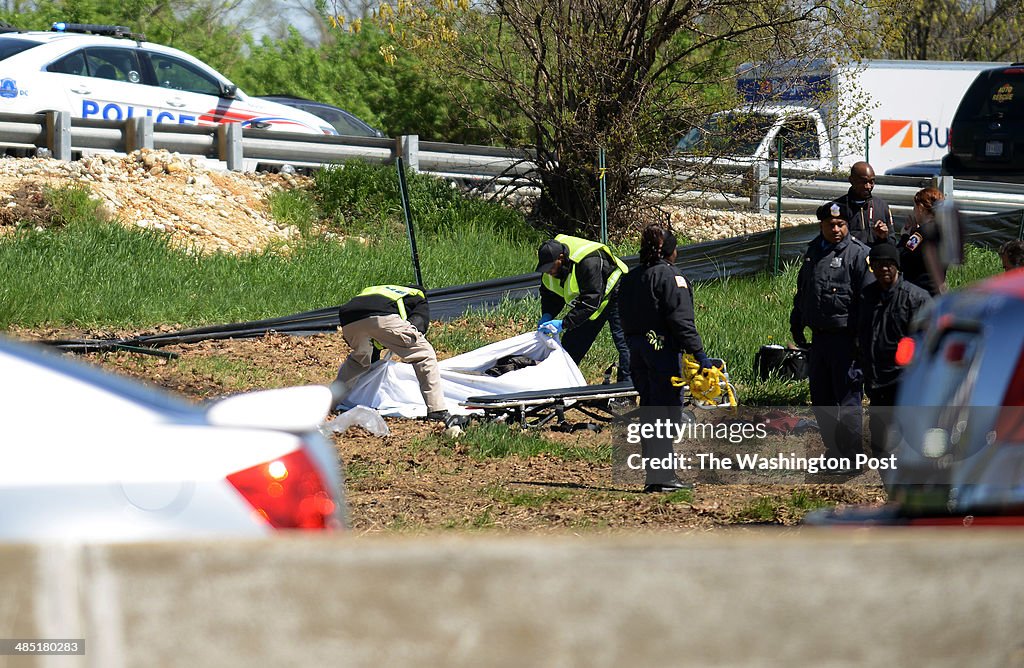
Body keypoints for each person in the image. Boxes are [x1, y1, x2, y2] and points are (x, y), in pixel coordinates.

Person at [618, 224, 715, 493]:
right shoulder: (671, 277)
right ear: (672, 252)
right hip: (662, 353)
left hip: (637, 351)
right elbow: (681, 320)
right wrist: (699, 354)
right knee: (666, 415)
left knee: (650, 413)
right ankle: (663, 477)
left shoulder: (631, 277)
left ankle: (655, 475)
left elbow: (623, 317)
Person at [790, 201, 873, 468]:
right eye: (831, 225)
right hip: (820, 339)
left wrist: (862, 339)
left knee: (848, 400)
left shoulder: (859, 255)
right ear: (822, 225)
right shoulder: (813, 251)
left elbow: (868, 300)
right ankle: (834, 451)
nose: (836, 229)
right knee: (821, 399)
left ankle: (852, 454)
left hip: (847, 340)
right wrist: (797, 322)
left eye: (841, 224)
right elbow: (804, 291)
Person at [334, 284, 461, 427]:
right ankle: (437, 410)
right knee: (425, 355)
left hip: (348, 319)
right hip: (381, 317)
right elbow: (418, 325)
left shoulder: (381, 290)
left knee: (359, 361)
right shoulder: (418, 296)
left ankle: (330, 402)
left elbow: (372, 333)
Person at [857, 243, 932, 457]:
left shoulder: (915, 298)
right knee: (879, 437)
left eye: (888, 265)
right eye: (878, 266)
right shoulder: (867, 296)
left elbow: (930, 339)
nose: (883, 270)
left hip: (905, 379)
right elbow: (862, 332)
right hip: (877, 377)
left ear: (897, 267)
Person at [535, 235, 631, 381]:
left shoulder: (587, 262)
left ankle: (626, 392)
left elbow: (591, 300)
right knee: (571, 344)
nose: (549, 272)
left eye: (550, 268)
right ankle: (560, 384)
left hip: (617, 291)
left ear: (561, 257)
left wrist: (564, 323)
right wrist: (547, 314)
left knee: (624, 342)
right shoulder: (551, 265)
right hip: (590, 299)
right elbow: (550, 294)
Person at [898, 186, 946, 296]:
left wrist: (905, 237)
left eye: (914, 208)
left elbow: (902, 257)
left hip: (918, 293)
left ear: (920, 208)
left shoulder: (920, 234)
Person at [834, 161, 895, 247]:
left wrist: (884, 236)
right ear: (851, 180)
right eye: (864, 181)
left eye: (872, 181)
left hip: (875, 259)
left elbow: (892, 243)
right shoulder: (837, 207)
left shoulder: (881, 206)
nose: (868, 186)